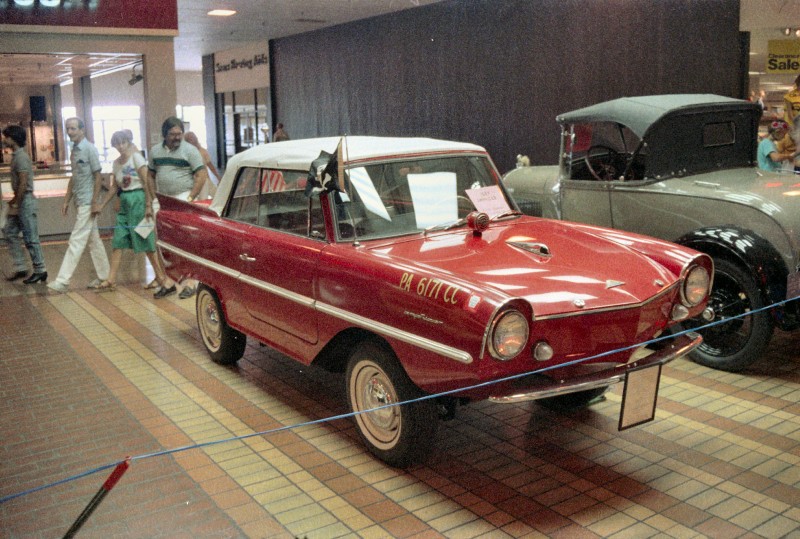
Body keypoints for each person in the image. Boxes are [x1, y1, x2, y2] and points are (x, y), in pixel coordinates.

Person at [93, 130, 170, 292]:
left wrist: (149, 205)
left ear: (128, 142)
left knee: (145, 239)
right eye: (117, 143)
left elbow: (146, 181)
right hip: (125, 202)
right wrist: (102, 204)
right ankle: (111, 279)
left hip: (139, 200)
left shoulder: (137, 158)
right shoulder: (116, 163)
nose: (120, 146)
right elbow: (115, 186)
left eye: (123, 142)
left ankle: (161, 277)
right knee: (118, 240)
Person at [47, 117, 110, 294]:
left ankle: (62, 280)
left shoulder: (89, 149)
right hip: (79, 200)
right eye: (68, 128)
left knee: (76, 240)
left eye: (73, 128)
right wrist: (67, 200)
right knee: (93, 241)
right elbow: (74, 178)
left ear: (82, 130)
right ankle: (105, 276)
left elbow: (98, 176)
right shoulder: (74, 151)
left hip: (87, 203)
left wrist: (94, 201)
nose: (70, 132)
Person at [148, 117, 208, 299]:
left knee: (185, 241)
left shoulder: (190, 151)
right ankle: (168, 281)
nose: (176, 137)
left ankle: (190, 281)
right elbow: (150, 175)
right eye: (172, 134)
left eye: (179, 134)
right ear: (164, 134)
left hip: (183, 197)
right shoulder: (155, 151)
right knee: (160, 241)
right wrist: (152, 198)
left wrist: (190, 198)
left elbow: (201, 174)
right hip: (162, 198)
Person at [2, 125, 47, 283]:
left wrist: (16, 203)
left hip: (25, 201)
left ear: (13, 138)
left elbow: (23, 182)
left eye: (6, 137)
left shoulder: (21, 157)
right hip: (21, 200)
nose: (4, 139)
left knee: (30, 237)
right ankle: (21, 266)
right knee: (9, 231)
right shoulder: (16, 156)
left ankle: (40, 269)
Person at [183, 131, 220, 198]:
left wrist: (217, 177)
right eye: (189, 139)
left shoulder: (202, 151)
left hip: (205, 179)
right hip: (191, 181)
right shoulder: (184, 153)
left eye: (192, 138)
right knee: (195, 199)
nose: (191, 140)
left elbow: (210, 165)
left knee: (217, 196)